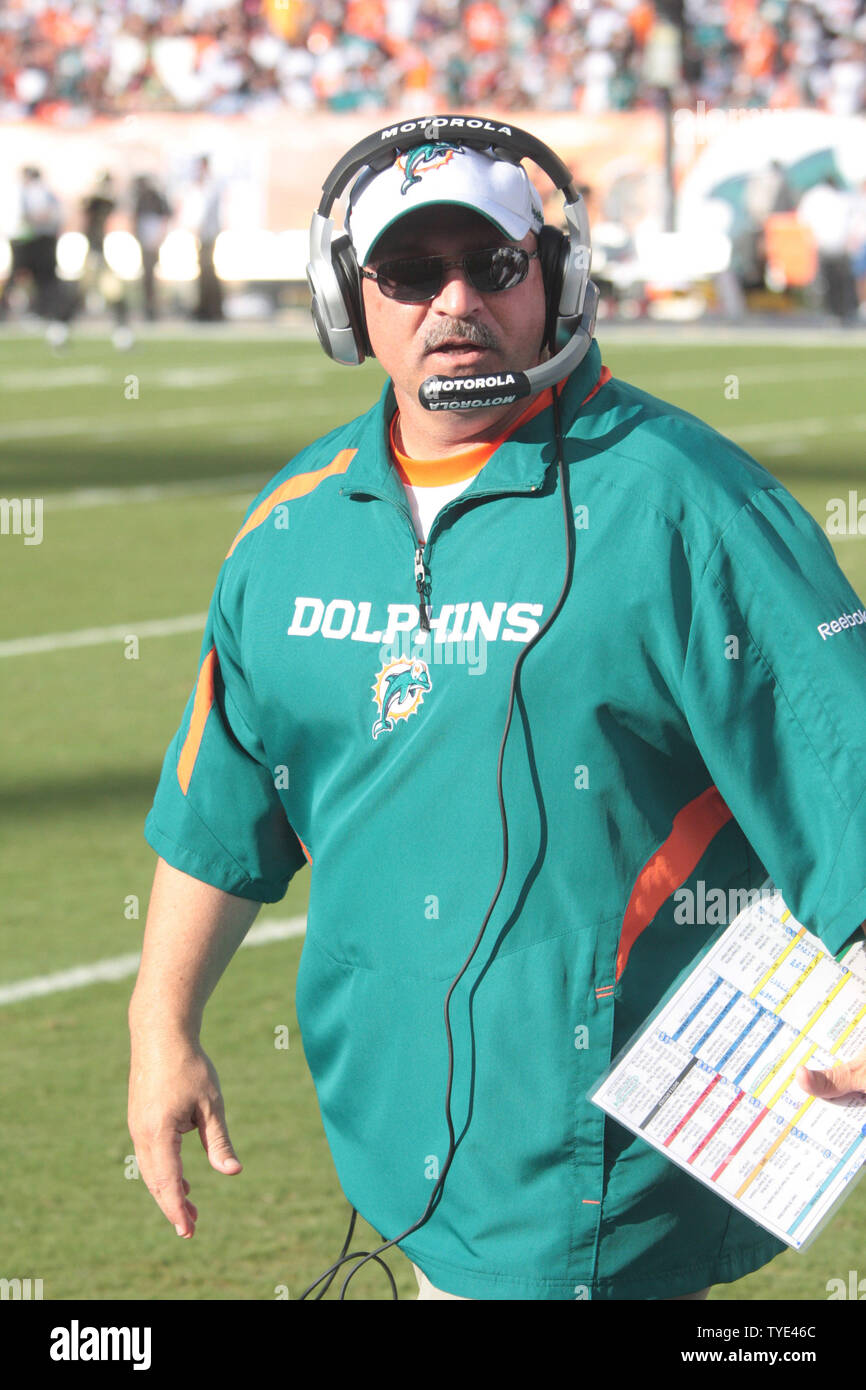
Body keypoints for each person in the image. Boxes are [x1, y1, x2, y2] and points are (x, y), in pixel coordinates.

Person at [128, 117, 866, 1302]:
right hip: (412, 1172)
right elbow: (222, 804)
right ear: (348, 301)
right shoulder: (290, 527)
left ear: (556, 276)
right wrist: (160, 1026)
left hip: (607, 1171)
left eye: (494, 265)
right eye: (411, 273)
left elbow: (840, 744)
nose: (453, 300)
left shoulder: (683, 502)